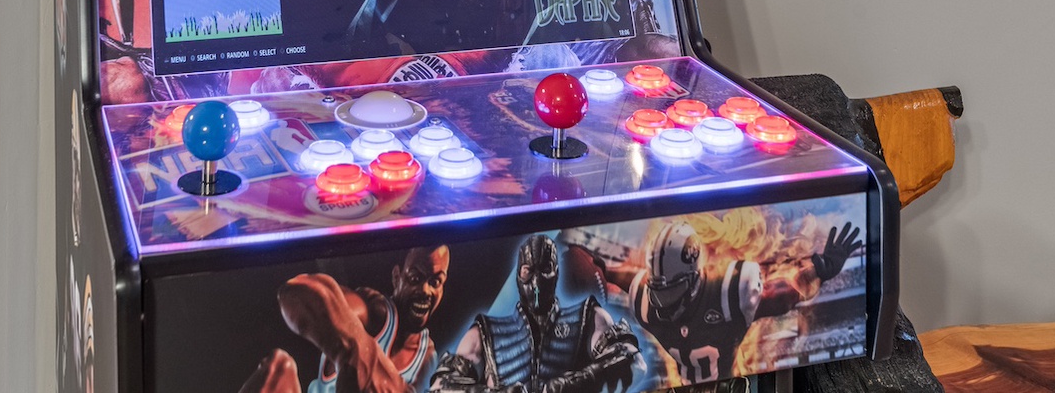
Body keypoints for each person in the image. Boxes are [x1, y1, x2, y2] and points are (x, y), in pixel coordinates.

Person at [625, 220, 861, 387]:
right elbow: (612, 273)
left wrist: (819, 269)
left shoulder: (730, 294)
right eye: (659, 290)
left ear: (695, 277)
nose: (664, 302)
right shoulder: (643, 300)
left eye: (673, 289)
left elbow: (785, 293)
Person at [430, 235, 640, 393]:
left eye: (545, 269)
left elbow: (633, 360)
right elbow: (442, 385)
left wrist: (580, 381)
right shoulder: (485, 332)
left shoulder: (588, 317)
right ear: (519, 276)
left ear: (556, 271)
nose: (537, 283)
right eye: (528, 271)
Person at [239, 246, 452, 393]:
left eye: (435, 281)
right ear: (397, 277)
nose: (425, 291)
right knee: (278, 368)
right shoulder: (375, 314)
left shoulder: (429, 356)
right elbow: (298, 292)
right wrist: (356, 349)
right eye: (415, 279)